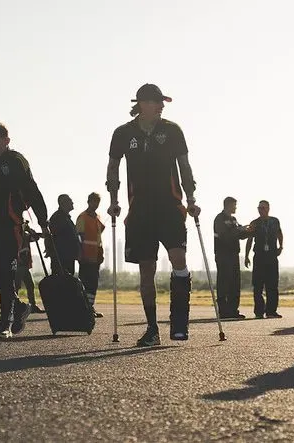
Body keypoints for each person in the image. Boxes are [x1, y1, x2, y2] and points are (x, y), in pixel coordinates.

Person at [106, 83, 201, 346]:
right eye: (157, 102)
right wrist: (114, 201)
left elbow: (185, 167)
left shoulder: (172, 131)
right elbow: (113, 167)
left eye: (162, 103)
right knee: (146, 271)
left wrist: (191, 198)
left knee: (178, 259)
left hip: (170, 207)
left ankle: (179, 322)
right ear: (143, 105)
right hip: (140, 211)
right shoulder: (123, 133)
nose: (161, 106)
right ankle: (152, 329)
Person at [0, 122, 49, 339]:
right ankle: (19, 306)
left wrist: (43, 221)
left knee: (7, 275)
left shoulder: (17, 161)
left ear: (7, 141)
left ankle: (4, 323)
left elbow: (33, 191)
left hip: (11, 223)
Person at [213, 197, 252, 319]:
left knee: (235, 283)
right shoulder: (220, 219)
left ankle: (233, 310)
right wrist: (238, 230)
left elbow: (240, 235)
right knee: (224, 282)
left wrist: (249, 231)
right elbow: (224, 235)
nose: (235, 207)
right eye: (234, 205)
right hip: (223, 254)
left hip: (234, 254)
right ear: (228, 205)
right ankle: (224, 311)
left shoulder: (233, 219)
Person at [244, 200, 284, 319]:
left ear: (268, 209)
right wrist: (246, 256)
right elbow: (249, 239)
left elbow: (280, 233)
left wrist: (280, 246)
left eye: (263, 208)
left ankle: (271, 311)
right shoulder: (255, 223)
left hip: (271, 255)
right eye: (259, 208)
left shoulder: (275, 221)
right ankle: (259, 311)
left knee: (272, 284)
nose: (261, 210)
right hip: (259, 256)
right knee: (258, 285)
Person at [76, 192, 105, 318]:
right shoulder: (83, 217)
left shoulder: (97, 217)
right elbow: (79, 238)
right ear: (89, 201)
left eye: (98, 202)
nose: (96, 204)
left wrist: (101, 251)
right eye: (94, 201)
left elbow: (99, 236)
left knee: (93, 283)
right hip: (86, 256)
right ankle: (83, 309)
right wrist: (81, 255)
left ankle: (90, 307)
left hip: (96, 255)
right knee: (85, 282)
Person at [15, 221, 45, 313]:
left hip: (24, 265)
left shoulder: (26, 235)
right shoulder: (15, 234)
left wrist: (30, 230)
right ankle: (14, 306)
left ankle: (32, 305)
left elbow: (35, 238)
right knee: (16, 286)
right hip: (18, 264)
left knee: (30, 285)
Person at [47, 194, 80, 276]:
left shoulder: (66, 218)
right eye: (70, 201)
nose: (72, 203)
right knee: (61, 283)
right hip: (61, 258)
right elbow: (52, 236)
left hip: (68, 256)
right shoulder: (57, 218)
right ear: (63, 203)